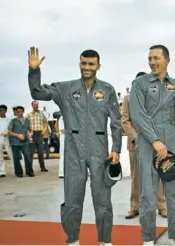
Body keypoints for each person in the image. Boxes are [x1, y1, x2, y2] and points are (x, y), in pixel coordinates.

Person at [27, 47, 122, 246]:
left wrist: (116, 149)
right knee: (72, 198)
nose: (86, 67)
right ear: (79, 64)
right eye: (83, 63)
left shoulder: (107, 89)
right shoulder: (65, 89)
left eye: (91, 64)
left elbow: (115, 122)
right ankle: (73, 240)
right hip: (73, 148)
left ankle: (105, 241)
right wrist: (34, 70)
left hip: (100, 148)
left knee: (102, 199)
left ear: (98, 66)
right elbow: (38, 92)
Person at [129, 45, 175, 245]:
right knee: (148, 192)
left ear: (166, 60)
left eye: (156, 58)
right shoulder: (140, 83)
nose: (152, 62)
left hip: (171, 136)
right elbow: (137, 114)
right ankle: (148, 239)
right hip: (148, 140)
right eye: (150, 58)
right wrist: (155, 140)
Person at [122, 71, 167, 220]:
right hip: (135, 144)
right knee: (136, 177)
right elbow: (125, 121)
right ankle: (134, 207)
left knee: (159, 173)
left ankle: (162, 206)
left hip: (155, 144)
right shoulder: (128, 99)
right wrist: (137, 138)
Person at [8, 106, 35, 178]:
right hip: (15, 142)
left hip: (24, 141)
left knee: (27, 156)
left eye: (21, 111)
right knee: (16, 158)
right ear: (16, 112)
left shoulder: (27, 120)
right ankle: (19, 173)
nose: (20, 113)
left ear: (23, 112)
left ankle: (29, 172)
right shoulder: (13, 121)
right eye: (18, 112)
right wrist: (17, 135)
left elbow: (30, 129)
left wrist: (30, 133)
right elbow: (9, 132)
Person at [0, 105, 14, 177]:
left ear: (6, 111)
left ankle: (16, 169)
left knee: (11, 153)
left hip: (7, 137)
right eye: (0, 110)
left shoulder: (9, 119)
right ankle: (2, 172)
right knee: (0, 155)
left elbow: (12, 129)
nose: (2, 111)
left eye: (3, 110)